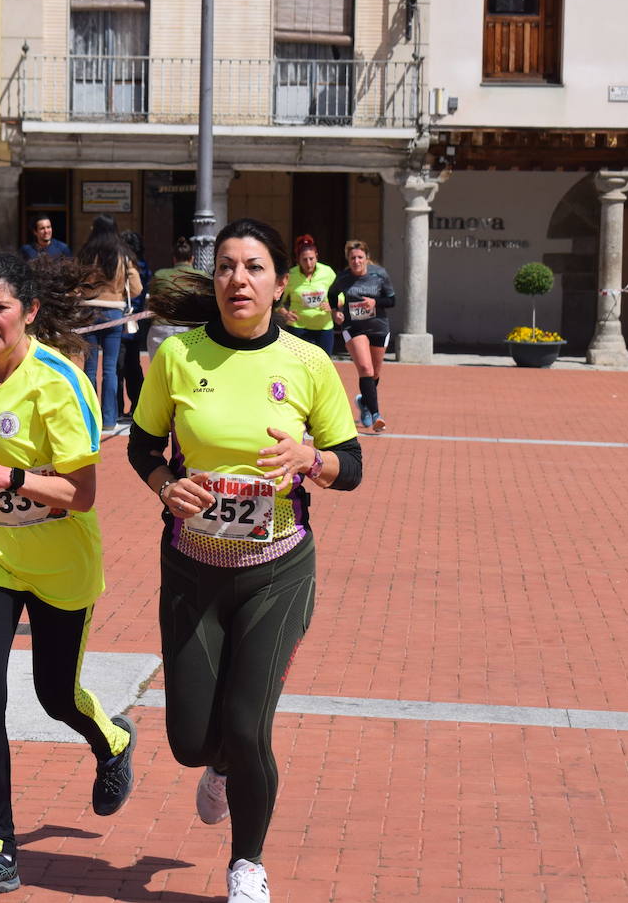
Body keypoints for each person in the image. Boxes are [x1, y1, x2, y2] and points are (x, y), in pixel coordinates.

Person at [127, 218, 361, 903]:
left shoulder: (309, 363)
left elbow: (352, 465)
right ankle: (217, 769)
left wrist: (310, 460)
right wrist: (169, 488)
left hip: (276, 570)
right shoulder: (178, 357)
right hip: (193, 567)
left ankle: (247, 865)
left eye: (255, 267)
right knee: (192, 740)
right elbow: (143, 449)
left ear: (279, 283)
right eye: (227, 266)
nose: (238, 279)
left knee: (247, 724)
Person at [0, 252, 137, 900]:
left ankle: (111, 737)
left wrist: (6, 478)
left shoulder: (59, 380)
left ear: (30, 313)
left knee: (54, 694)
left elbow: (82, 493)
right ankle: (0, 848)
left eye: (0, 308)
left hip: (59, 560)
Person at [75, 215, 141, 433]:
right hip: (113, 312)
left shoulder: (86, 254)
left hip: (89, 311)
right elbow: (136, 287)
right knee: (110, 369)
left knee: (90, 368)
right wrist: (119, 293)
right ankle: (109, 419)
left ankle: (89, 418)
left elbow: (75, 281)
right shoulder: (122, 255)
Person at [329, 239, 395, 432]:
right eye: (352, 258)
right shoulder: (344, 277)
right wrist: (335, 311)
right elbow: (332, 294)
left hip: (378, 327)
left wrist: (376, 302)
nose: (356, 261)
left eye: (359, 257)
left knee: (375, 373)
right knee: (365, 368)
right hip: (354, 326)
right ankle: (376, 415)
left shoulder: (379, 274)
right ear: (348, 260)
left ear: (367, 258)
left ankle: (364, 402)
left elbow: (392, 300)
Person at [145, 236, 202, 362]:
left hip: (160, 328)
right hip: (190, 330)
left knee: (158, 371)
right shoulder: (201, 277)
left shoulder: (160, 274)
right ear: (192, 259)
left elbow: (152, 299)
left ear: (174, 259)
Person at [277, 234, 336, 355]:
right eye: (304, 259)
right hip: (298, 327)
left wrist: (333, 305)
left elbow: (340, 295)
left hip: (324, 328)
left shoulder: (327, 272)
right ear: (297, 259)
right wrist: (285, 313)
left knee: (323, 364)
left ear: (317, 257)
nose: (309, 263)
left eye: (311, 259)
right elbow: (277, 299)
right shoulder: (290, 276)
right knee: (300, 364)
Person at [117, 229, 151, 421]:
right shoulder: (144, 266)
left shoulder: (126, 266)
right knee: (134, 366)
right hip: (136, 321)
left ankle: (118, 408)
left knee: (118, 367)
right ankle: (137, 405)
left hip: (123, 319)